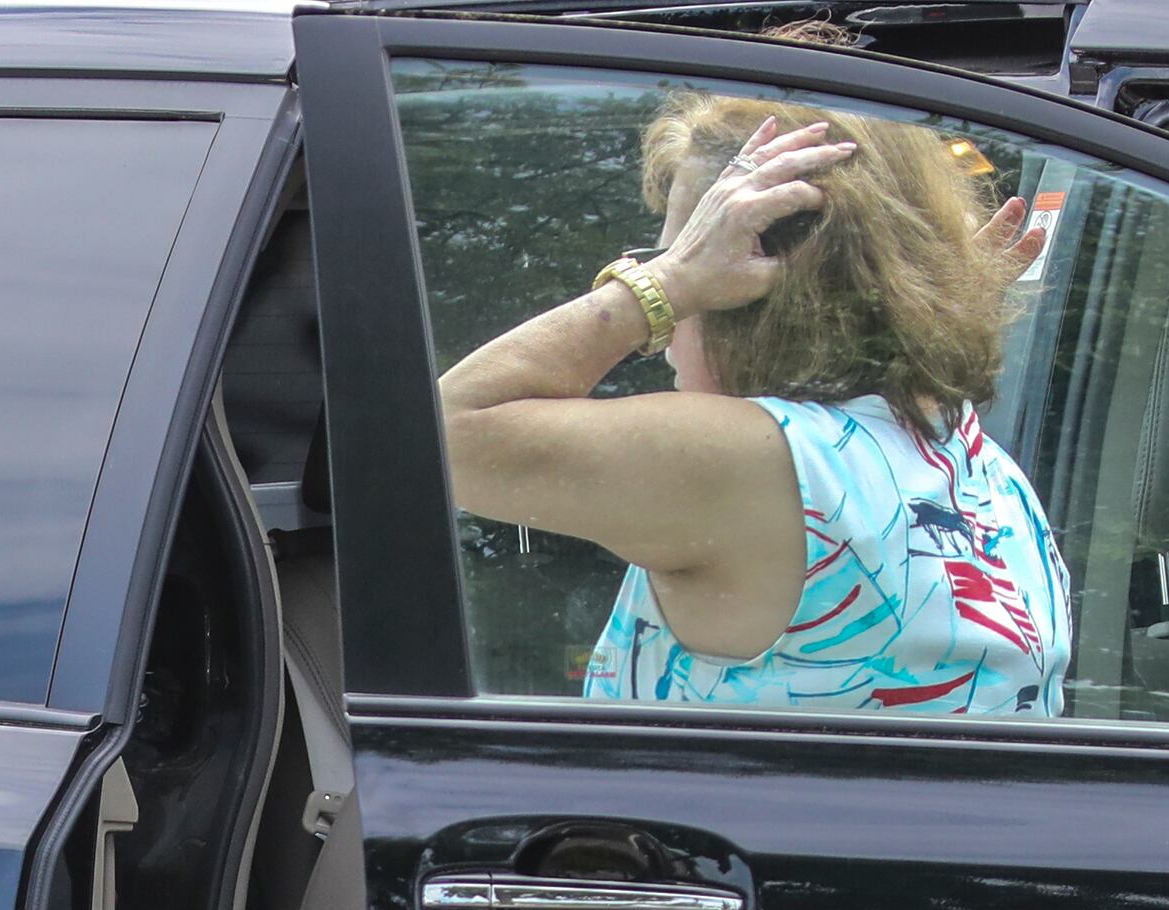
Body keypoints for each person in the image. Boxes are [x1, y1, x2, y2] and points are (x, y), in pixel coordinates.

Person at [440, 96, 1072, 716]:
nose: (664, 333)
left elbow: (432, 437)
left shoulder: (761, 460)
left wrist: (662, 285)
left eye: (692, 252)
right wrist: (926, 305)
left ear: (755, 282)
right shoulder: (970, 462)